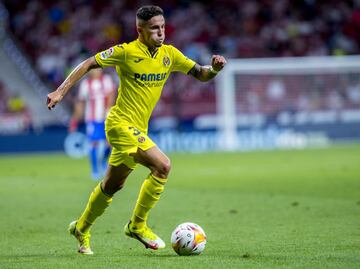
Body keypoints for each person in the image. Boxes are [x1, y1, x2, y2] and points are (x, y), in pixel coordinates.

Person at [47, 5, 226, 255]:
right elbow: (89, 63)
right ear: (140, 30)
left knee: (112, 186)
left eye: (163, 27)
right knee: (162, 166)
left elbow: (200, 74)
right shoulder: (126, 52)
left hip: (138, 128)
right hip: (119, 125)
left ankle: (81, 227)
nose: (161, 32)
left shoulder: (170, 54)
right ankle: (137, 225)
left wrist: (215, 69)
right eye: (154, 28)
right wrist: (60, 91)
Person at [68, 69, 116, 179]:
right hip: (92, 118)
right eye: (94, 69)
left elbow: (111, 95)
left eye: (98, 69)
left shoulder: (107, 80)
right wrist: (75, 120)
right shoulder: (85, 84)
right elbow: (81, 102)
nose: (96, 71)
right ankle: (94, 170)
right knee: (93, 142)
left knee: (109, 143)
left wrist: (107, 108)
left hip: (107, 118)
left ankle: (103, 162)